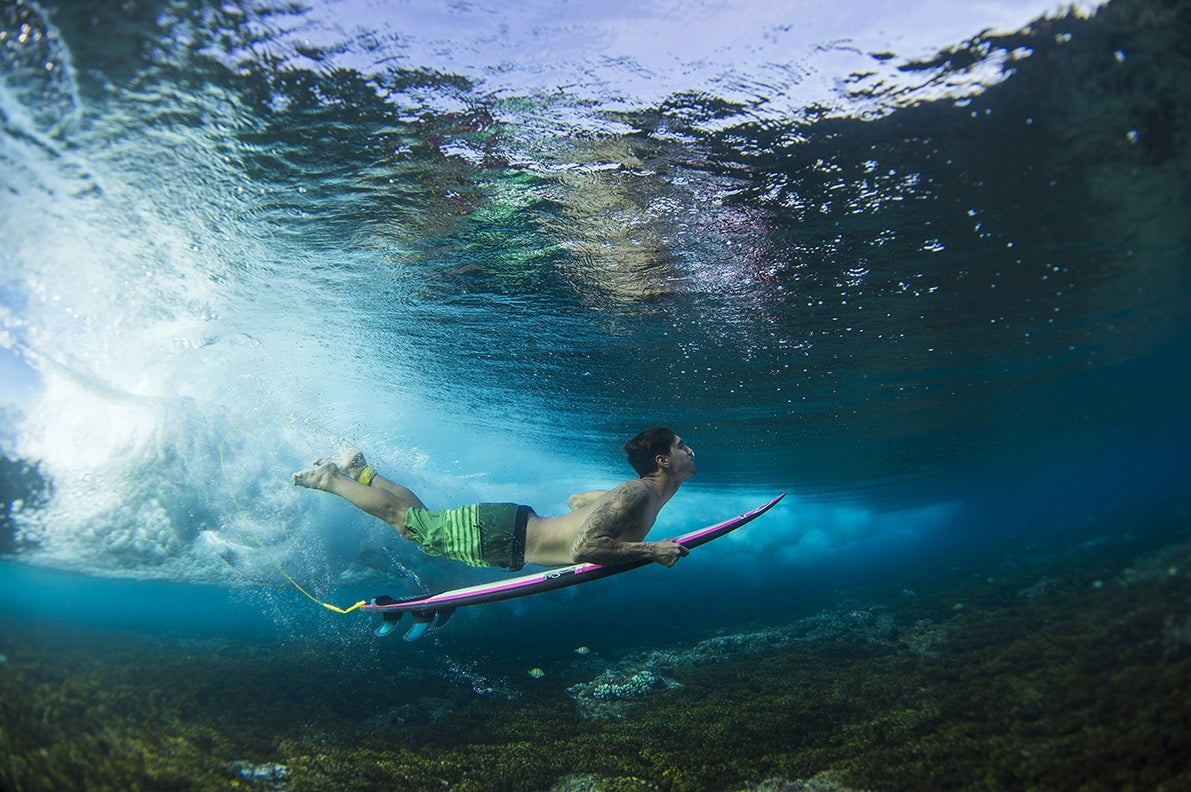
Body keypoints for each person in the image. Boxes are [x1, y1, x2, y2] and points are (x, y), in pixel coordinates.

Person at [292, 427, 695, 572]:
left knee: (421, 519)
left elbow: (577, 501)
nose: (689, 449)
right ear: (663, 460)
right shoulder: (635, 493)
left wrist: (597, 514)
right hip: (505, 538)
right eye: (681, 445)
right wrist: (650, 550)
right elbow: (584, 546)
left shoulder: (636, 494)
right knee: (412, 526)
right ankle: (332, 480)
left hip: (509, 528)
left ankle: (362, 471)